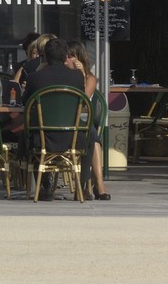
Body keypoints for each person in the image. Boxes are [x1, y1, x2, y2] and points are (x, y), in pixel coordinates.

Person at [21, 36, 87, 198]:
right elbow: (83, 102)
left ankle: (44, 186)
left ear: (45, 57)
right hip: (72, 137)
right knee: (91, 135)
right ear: (66, 57)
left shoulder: (35, 78)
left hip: (42, 138)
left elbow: (25, 103)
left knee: (27, 132)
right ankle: (83, 187)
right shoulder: (77, 77)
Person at [66, 40, 110, 200]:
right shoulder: (63, 77)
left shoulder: (90, 78)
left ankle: (99, 184)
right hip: (69, 123)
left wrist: (82, 74)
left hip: (82, 121)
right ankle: (96, 186)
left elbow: (83, 100)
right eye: (66, 56)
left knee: (91, 134)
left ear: (79, 58)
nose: (67, 60)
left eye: (71, 56)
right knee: (93, 137)